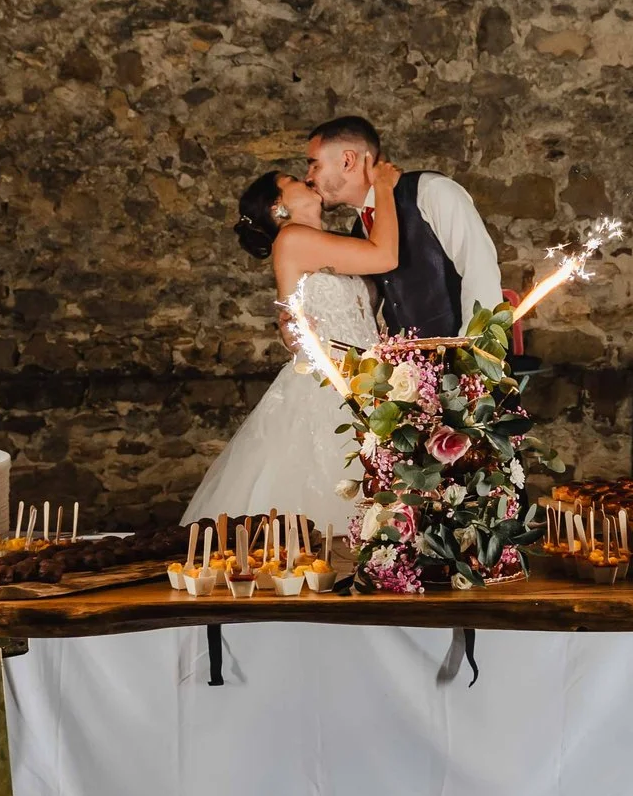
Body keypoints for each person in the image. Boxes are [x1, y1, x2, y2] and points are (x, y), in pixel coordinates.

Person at [182, 158, 402, 527]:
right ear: (277, 206)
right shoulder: (293, 238)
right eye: (294, 181)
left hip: (366, 381)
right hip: (328, 386)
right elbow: (385, 256)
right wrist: (382, 186)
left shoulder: (331, 243)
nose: (308, 180)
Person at [304, 116, 500, 338]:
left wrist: (474, 353)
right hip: (408, 368)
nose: (308, 177)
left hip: (463, 360)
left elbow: (480, 271)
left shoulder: (431, 192)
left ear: (347, 161)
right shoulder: (361, 229)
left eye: (314, 165)